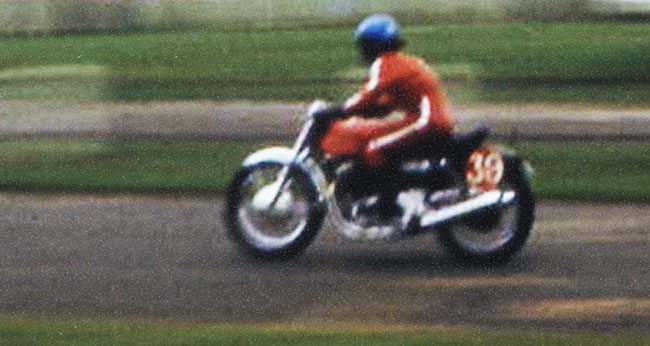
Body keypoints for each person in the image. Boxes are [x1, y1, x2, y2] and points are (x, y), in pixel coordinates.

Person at [319, 14, 456, 221]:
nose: (362, 50)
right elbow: (384, 105)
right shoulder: (401, 63)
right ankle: (391, 194)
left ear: (373, 44)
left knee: (374, 148)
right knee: (381, 143)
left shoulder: (385, 63)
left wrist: (340, 110)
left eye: (364, 45)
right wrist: (358, 112)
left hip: (427, 122)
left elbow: (369, 94)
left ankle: (388, 204)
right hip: (428, 120)